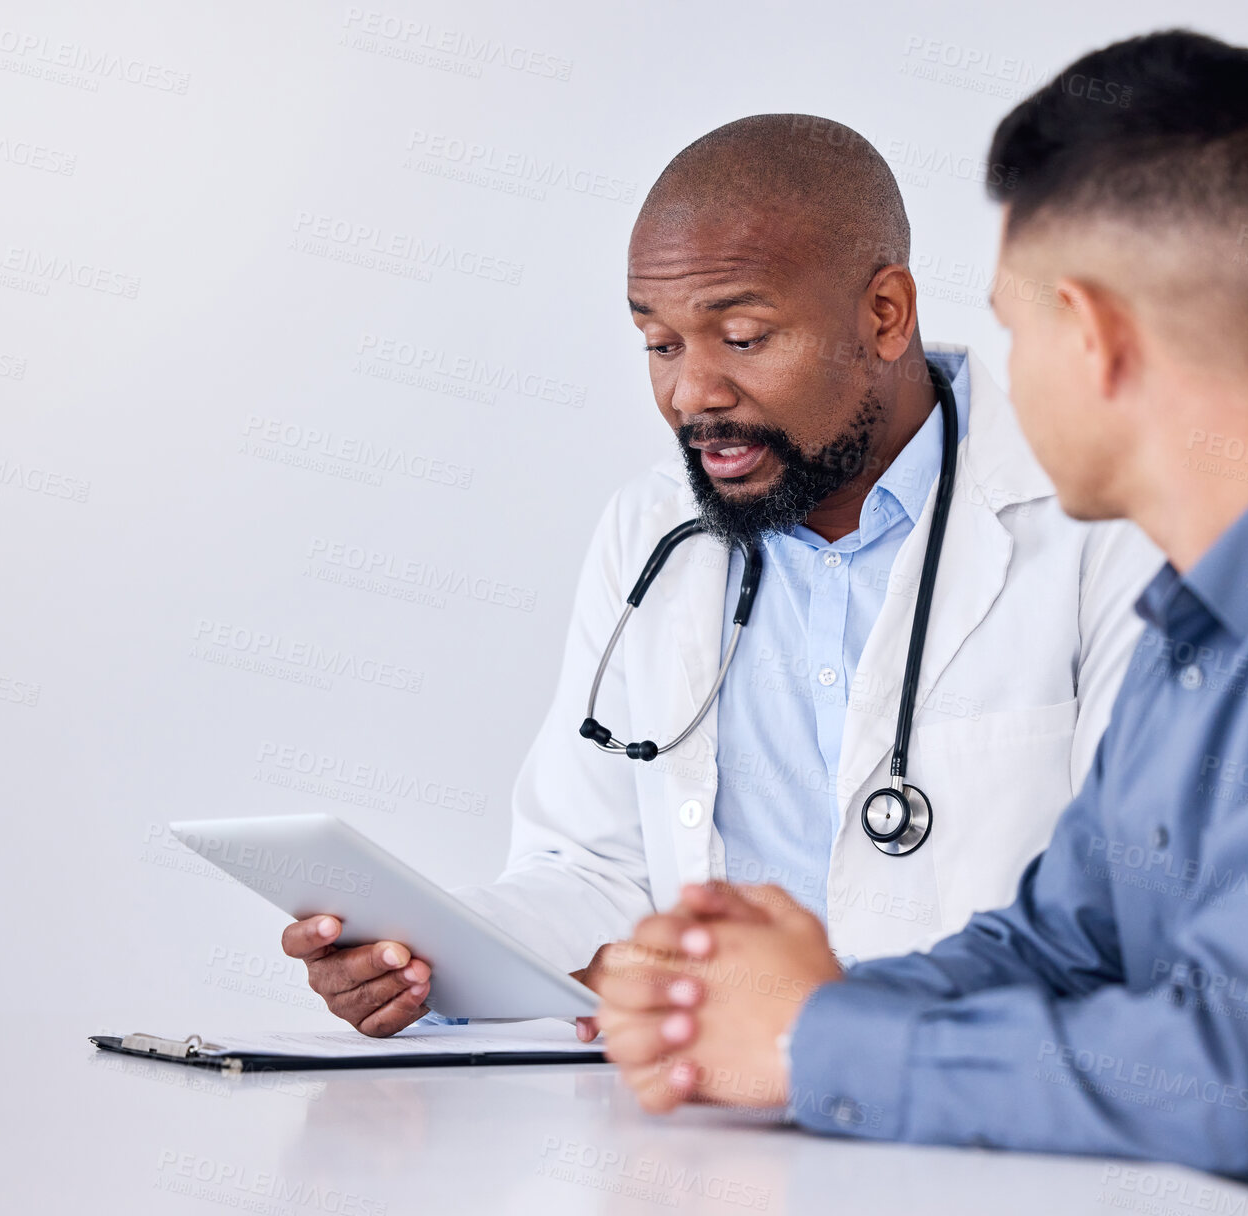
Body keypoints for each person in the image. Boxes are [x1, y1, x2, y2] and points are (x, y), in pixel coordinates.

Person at [593, 32, 1248, 1216]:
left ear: (1093, 333)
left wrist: (819, 1041)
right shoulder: (1197, 622)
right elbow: (1059, 947)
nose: (1000, 376)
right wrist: (743, 1004)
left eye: (1012, 330)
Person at [280, 114, 1160, 1039]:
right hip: (707, 1149)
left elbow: (1133, 909)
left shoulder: (1103, 524)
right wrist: (434, 961)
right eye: (660, 344)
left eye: (740, 337)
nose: (689, 394)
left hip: (985, 1152)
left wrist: (811, 1013)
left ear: (885, 314)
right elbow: (594, 869)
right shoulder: (650, 529)